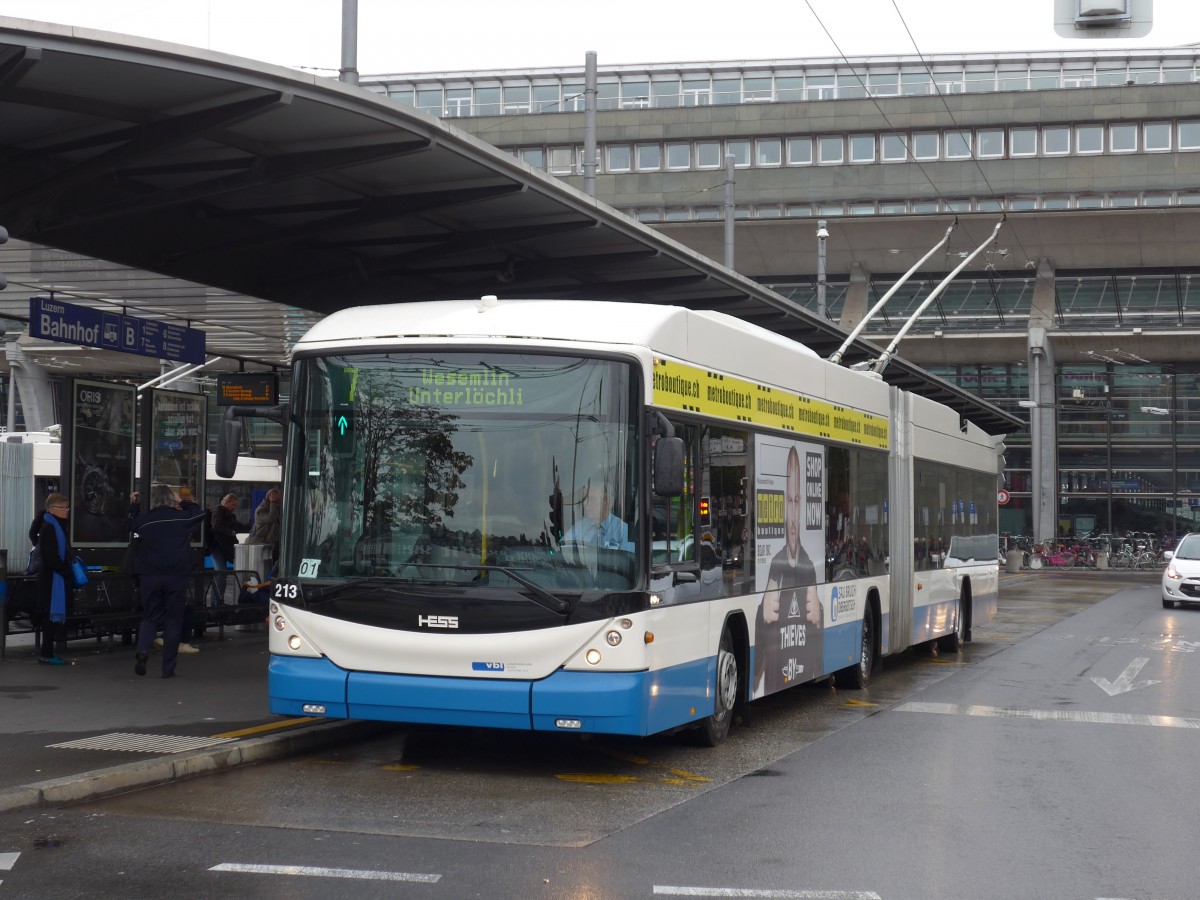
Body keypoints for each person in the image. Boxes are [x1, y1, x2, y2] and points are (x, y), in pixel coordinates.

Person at [754, 446, 823, 697]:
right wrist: (763, 612)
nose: (792, 517)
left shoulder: (812, 567)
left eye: (796, 501)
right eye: (788, 501)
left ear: (801, 504)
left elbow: (820, 652)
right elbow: (756, 670)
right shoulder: (773, 565)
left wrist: (820, 612)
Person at [129, 484, 207, 678]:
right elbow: (199, 513)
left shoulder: (145, 521)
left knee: (150, 616)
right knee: (173, 620)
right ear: (171, 500)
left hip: (149, 575)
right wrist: (182, 502)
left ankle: (143, 650)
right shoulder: (180, 518)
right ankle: (168, 669)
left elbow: (129, 525)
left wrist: (134, 505)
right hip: (176, 576)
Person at [34, 493, 74, 665]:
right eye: (63, 507)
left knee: (52, 617)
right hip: (52, 579)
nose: (67, 511)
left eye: (67, 507)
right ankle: (47, 653)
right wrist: (66, 571)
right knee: (50, 617)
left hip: (55, 577)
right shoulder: (49, 528)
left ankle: (48, 652)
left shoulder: (56, 526)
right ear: (52, 509)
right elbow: (50, 556)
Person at [561, 476, 631, 551]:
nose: (585, 503)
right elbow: (562, 549)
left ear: (608, 503)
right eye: (584, 499)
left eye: (592, 499)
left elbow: (628, 559)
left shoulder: (623, 531)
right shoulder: (579, 528)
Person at [207, 493, 240, 605]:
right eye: (233, 505)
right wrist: (230, 532)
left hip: (221, 546)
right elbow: (216, 528)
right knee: (221, 573)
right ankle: (216, 601)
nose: (234, 508)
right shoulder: (219, 512)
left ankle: (218, 600)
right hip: (218, 546)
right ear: (227, 502)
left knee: (222, 573)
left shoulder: (224, 513)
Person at [247, 487, 281, 571]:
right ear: (269, 498)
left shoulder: (275, 509)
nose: (278, 503)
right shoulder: (260, 510)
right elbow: (270, 518)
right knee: (264, 569)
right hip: (262, 544)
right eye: (277, 501)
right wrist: (273, 502)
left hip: (273, 544)